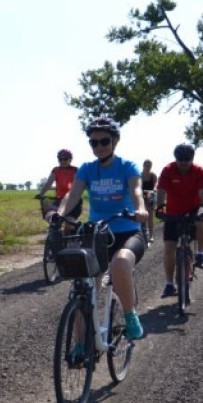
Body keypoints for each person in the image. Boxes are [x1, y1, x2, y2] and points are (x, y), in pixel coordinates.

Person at [56, 116, 148, 340]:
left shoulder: (127, 166)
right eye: (93, 142)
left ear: (115, 141)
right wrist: (59, 214)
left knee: (120, 262)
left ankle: (129, 315)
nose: (98, 146)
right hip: (97, 233)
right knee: (84, 287)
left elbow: (136, 190)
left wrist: (140, 209)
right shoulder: (87, 169)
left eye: (104, 141)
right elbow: (72, 194)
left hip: (127, 231)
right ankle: (80, 344)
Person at [155, 143, 203, 298]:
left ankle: (200, 254)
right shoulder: (168, 170)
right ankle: (169, 284)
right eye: (180, 160)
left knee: (202, 220)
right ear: (176, 159)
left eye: (186, 161)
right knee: (169, 248)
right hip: (174, 211)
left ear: (192, 159)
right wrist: (160, 207)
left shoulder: (199, 171)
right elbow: (161, 191)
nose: (183, 164)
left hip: (193, 208)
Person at [37, 149, 81, 224]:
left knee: (69, 222)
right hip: (59, 200)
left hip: (73, 201)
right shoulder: (56, 170)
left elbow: (77, 185)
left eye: (65, 159)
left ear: (70, 159)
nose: (62, 161)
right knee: (53, 219)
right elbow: (49, 183)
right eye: (60, 159)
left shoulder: (75, 170)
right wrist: (41, 193)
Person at [140, 159, 158, 245]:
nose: (147, 167)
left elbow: (155, 184)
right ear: (143, 165)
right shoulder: (140, 175)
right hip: (141, 195)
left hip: (150, 194)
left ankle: (151, 235)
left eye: (149, 165)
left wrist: (154, 189)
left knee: (150, 215)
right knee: (142, 214)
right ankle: (143, 233)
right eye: (146, 165)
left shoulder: (153, 175)